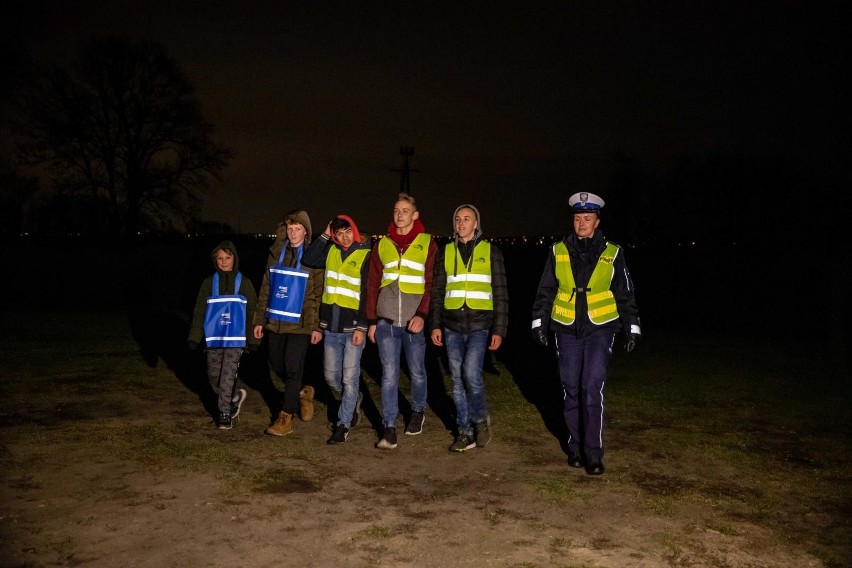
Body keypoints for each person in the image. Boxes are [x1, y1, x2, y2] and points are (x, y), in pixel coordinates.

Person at [531, 192, 641, 475]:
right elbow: (545, 290)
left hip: (600, 328)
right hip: (566, 328)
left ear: (597, 221)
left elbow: (625, 293)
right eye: (578, 218)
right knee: (570, 387)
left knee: (591, 388)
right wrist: (538, 323)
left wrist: (632, 326)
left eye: (587, 218)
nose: (582, 223)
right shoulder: (558, 250)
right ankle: (575, 447)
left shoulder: (613, 252)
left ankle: (593, 453)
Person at [429, 204, 508, 452]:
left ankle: (480, 419)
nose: (461, 223)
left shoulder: (491, 252)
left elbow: (501, 293)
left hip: (479, 324)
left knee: (471, 374)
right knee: (456, 379)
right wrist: (435, 325)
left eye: (467, 219)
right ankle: (464, 432)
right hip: (451, 325)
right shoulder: (446, 252)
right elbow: (437, 291)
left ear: (476, 224)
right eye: (458, 219)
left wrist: (499, 330)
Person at [366, 192, 438, 449]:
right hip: (385, 321)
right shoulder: (382, 244)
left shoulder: (427, 243)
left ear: (415, 215)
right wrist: (372, 320)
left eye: (405, 210)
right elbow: (373, 283)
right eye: (396, 210)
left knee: (417, 372)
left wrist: (421, 314)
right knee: (388, 376)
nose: (399, 214)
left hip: (413, 322)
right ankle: (388, 427)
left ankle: (418, 410)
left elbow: (431, 283)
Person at [253, 210, 324, 437]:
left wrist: (316, 326)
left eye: (298, 229)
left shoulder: (313, 257)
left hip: (301, 324)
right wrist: (259, 319)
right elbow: (266, 287)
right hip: (275, 322)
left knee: (293, 368)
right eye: (290, 228)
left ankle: (285, 418)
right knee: (276, 364)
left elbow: (317, 294)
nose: (293, 233)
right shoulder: (275, 253)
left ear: (306, 231)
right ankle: (303, 392)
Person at [302, 214, 371, 444]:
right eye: (338, 233)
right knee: (331, 377)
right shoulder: (330, 251)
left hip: (353, 329)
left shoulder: (365, 255)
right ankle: (352, 400)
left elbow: (367, 295)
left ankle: (342, 425)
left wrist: (362, 325)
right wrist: (323, 235)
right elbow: (309, 259)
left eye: (347, 231)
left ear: (354, 230)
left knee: (350, 378)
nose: (344, 237)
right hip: (331, 327)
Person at [188, 241, 259, 429]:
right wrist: (194, 337)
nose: (224, 262)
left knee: (227, 374)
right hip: (214, 339)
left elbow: (253, 310)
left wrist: (253, 339)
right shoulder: (209, 283)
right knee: (213, 374)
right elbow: (199, 311)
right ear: (215, 261)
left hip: (236, 339)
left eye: (227, 258)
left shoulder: (244, 282)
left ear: (234, 258)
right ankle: (235, 396)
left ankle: (225, 413)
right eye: (219, 258)